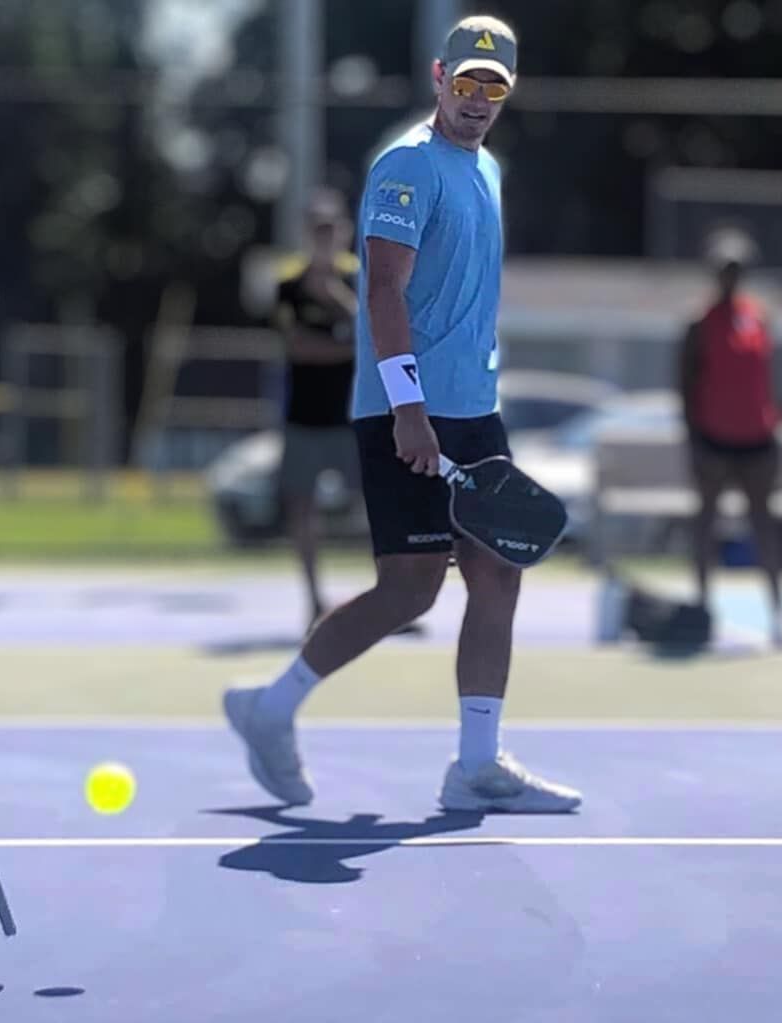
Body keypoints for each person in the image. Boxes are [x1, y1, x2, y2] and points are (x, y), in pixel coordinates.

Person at [224, 15, 581, 813]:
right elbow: (382, 289)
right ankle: (269, 706)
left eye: (493, 87)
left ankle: (476, 765)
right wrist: (408, 408)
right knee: (412, 588)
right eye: (466, 83)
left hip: (473, 411)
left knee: (496, 575)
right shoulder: (405, 167)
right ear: (437, 78)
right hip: (403, 409)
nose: (478, 99)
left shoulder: (486, 171)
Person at [272, 189, 425, 637]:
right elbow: (295, 347)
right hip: (304, 417)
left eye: (330, 227)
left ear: (342, 231)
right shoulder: (288, 285)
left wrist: (336, 298)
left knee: (379, 506)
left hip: (356, 417)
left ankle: (390, 600)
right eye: (315, 228)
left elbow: (377, 333)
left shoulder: (359, 279)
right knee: (302, 508)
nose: (324, 236)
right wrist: (342, 347)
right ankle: (314, 600)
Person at [678, 228, 782, 646]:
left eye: (738, 269)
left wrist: (773, 428)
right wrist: (694, 439)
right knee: (707, 524)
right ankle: (704, 609)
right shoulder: (698, 323)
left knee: (764, 525)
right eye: (725, 269)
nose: (732, 276)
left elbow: (764, 379)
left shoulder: (758, 317)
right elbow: (685, 385)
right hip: (714, 440)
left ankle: (778, 615)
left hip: (758, 439)